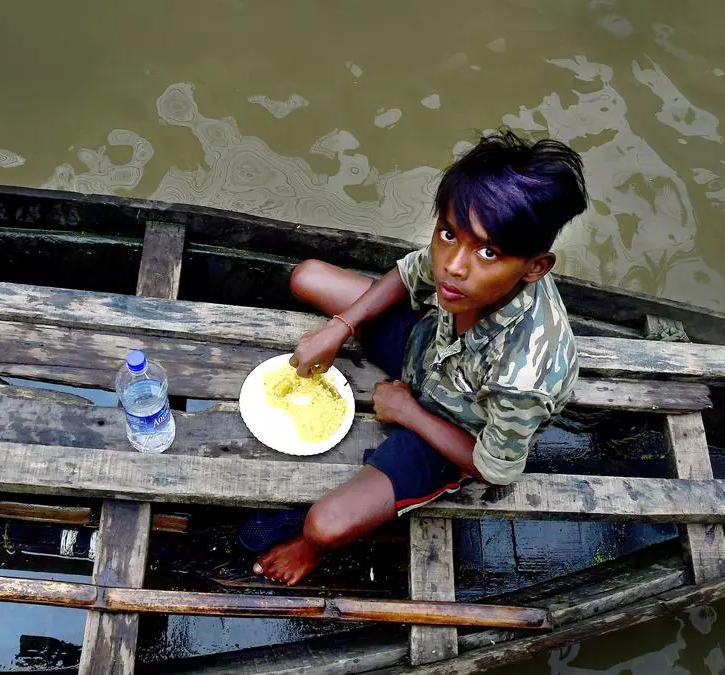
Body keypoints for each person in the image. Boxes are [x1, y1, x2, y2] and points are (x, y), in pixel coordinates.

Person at [251, 130, 589, 585]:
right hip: (426, 341)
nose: (454, 264)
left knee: (323, 527)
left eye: (488, 251)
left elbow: (494, 469)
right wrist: (340, 327)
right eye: (448, 233)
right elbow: (410, 273)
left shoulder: (524, 376)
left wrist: (407, 411)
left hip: (455, 428)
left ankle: (308, 549)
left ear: (534, 268)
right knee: (308, 277)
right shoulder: (459, 268)